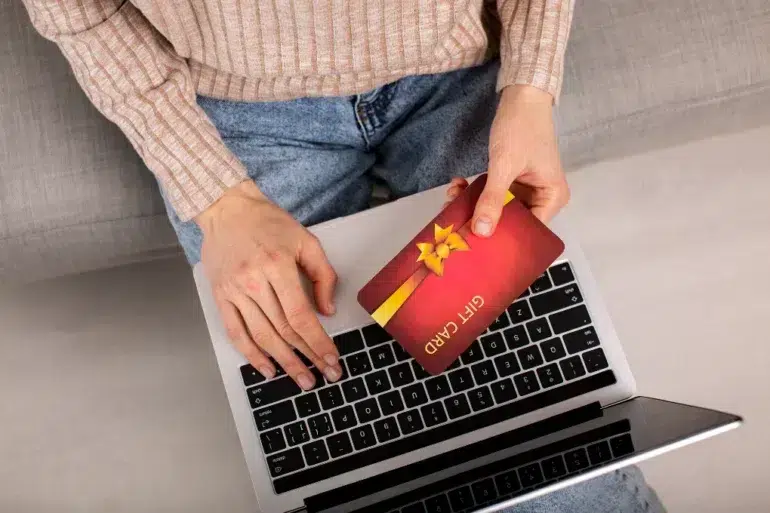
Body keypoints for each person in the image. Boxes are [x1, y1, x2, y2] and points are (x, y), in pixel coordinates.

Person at [23, 2, 664, 511]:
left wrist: (530, 87)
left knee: (537, 420)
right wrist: (216, 198)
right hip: (232, 105)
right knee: (337, 427)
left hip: (458, 63)